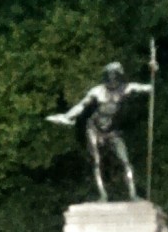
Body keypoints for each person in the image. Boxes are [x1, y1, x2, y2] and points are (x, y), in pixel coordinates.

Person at [47, 61, 154, 201]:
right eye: (110, 76)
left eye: (115, 76)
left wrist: (153, 70)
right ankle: (103, 195)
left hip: (112, 130)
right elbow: (81, 106)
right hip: (94, 129)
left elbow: (148, 88)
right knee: (97, 162)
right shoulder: (98, 91)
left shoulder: (126, 88)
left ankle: (133, 194)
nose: (112, 79)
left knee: (125, 161)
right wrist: (67, 116)